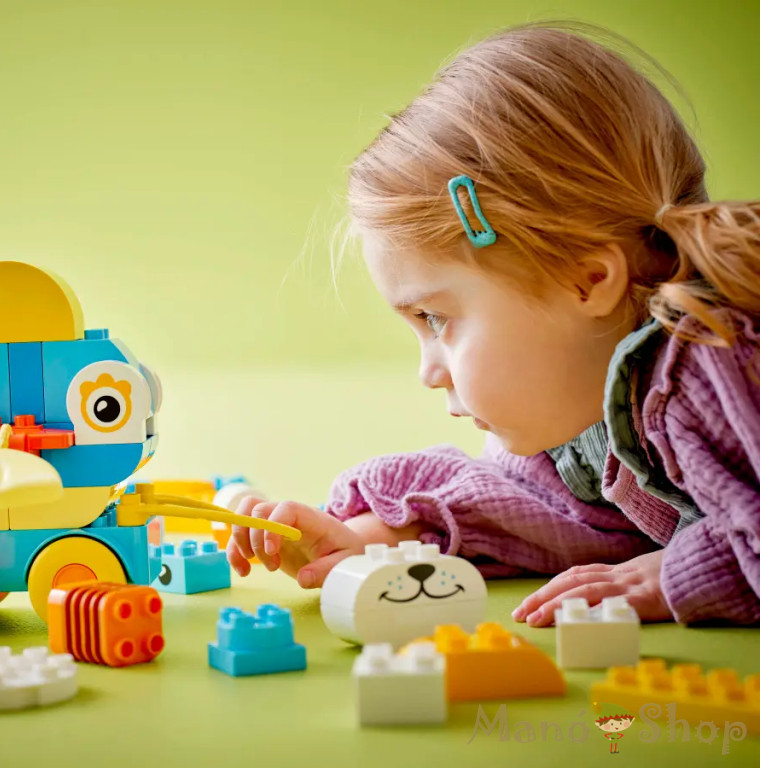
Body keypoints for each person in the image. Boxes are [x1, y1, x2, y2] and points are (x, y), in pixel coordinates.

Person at [226, 21, 760, 626]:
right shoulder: (582, 399)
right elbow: (535, 509)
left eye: (436, 318)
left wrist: (675, 572)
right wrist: (374, 536)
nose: (428, 372)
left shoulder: (716, 371)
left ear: (586, 281)